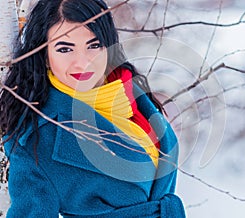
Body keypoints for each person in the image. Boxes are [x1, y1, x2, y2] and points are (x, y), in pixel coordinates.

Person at [0, 0, 186, 217]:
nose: (83, 62)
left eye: (94, 45)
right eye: (65, 48)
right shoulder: (36, 137)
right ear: (45, 56)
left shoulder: (132, 95)